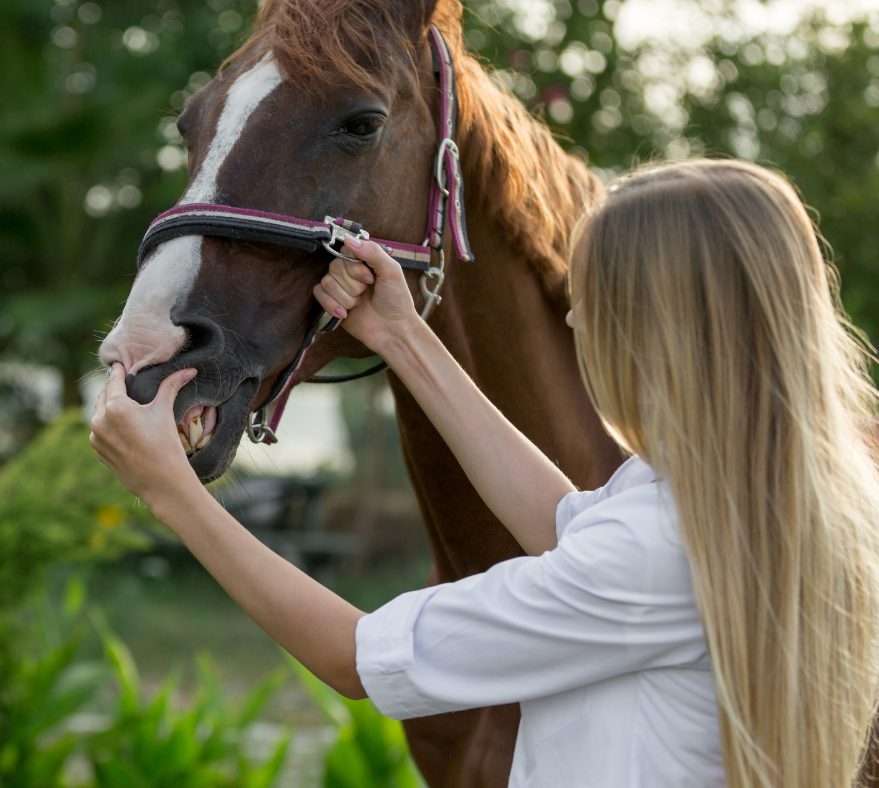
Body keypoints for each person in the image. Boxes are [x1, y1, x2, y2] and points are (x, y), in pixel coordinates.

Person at [88, 158, 879, 788]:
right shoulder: (769, 502)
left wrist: (171, 491)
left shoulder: (657, 550)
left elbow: (355, 657)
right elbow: (567, 526)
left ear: (657, 336)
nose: (571, 320)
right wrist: (403, 336)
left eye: (589, 300)